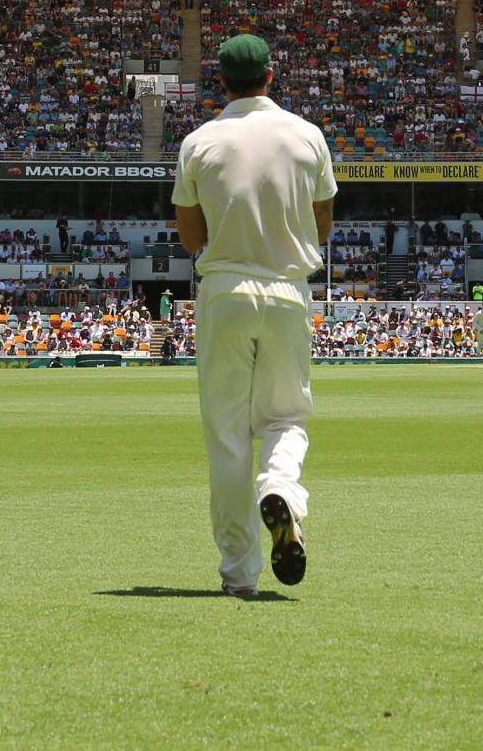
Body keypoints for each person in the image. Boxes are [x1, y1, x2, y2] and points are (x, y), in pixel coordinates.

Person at [174, 33, 336, 599]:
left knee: (227, 436)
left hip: (222, 290)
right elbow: (323, 221)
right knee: (285, 417)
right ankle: (282, 492)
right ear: (271, 75)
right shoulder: (307, 135)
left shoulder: (200, 141)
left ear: (222, 81)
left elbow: (191, 237)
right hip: (288, 290)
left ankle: (238, 575)